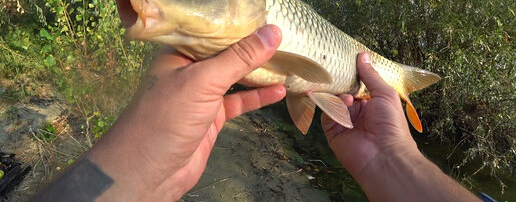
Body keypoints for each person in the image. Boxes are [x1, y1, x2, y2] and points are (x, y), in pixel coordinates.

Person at [31, 25, 480, 202]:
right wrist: (393, 162)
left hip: (347, 75)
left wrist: (394, 157)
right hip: (332, 89)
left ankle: (396, 79)